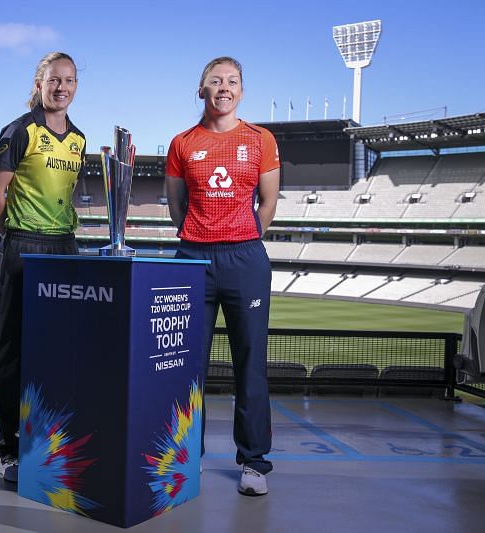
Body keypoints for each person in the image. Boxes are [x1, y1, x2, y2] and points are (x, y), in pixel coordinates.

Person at [165, 56, 280, 496]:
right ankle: (185, 455)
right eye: (215, 81)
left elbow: (267, 203)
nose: (224, 88)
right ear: (202, 90)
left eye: (232, 81)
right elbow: (178, 207)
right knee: (184, 365)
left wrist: (240, 238)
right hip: (192, 257)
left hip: (245, 259)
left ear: (241, 91)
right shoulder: (182, 142)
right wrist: (202, 238)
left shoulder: (260, 139)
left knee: (250, 362)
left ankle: (253, 462)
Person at [0, 52, 86, 483]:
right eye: (53, 80)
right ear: (39, 83)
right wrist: (14, 233)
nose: (61, 87)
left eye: (69, 80)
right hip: (24, 246)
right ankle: (8, 449)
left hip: (65, 246)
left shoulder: (80, 138)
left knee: (61, 351)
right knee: (12, 350)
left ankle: (49, 441)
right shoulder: (21, 130)